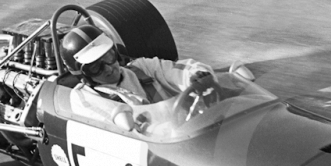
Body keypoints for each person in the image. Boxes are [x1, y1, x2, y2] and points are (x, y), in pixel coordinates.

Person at [60, 24, 216, 130]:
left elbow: (183, 69)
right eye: (95, 67)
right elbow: (124, 127)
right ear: (83, 75)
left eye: (108, 56)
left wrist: (197, 75)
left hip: (181, 134)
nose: (108, 68)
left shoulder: (141, 68)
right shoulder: (82, 97)